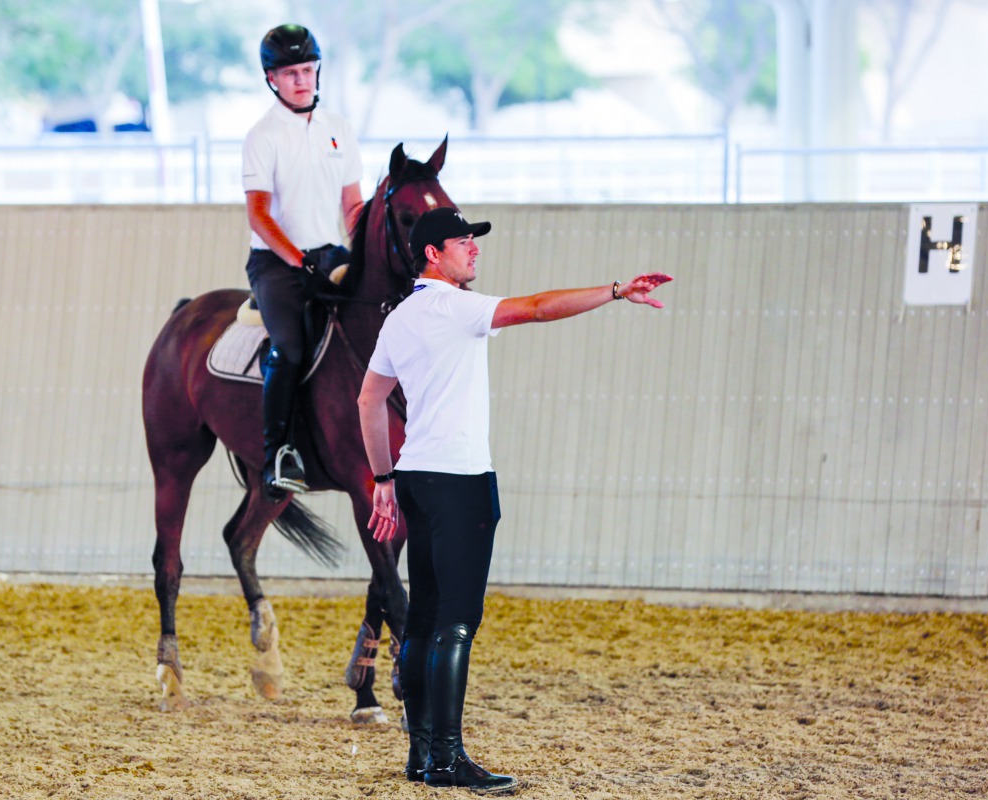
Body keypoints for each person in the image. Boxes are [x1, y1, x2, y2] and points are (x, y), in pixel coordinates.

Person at [358, 207, 671, 794]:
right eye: (463, 241)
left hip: (415, 478)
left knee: (423, 622)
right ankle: (448, 761)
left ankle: (422, 755)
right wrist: (614, 290)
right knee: (455, 624)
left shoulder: (400, 317)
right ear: (433, 253)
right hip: (459, 481)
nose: (473, 249)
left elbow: (369, 402)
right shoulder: (459, 308)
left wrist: (383, 478)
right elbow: (534, 308)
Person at [243, 23, 365, 499]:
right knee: (290, 347)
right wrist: (297, 260)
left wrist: (361, 255)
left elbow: (353, 207)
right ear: (272, 78)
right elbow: (258, 215)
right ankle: (278, 455)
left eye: (308, 70)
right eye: (290, 73)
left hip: (329, 251)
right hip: (276, 262)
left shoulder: (339, 128)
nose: (301, 80)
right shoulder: (263, 136)